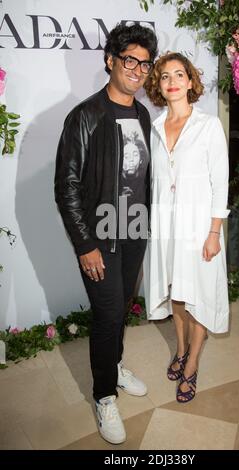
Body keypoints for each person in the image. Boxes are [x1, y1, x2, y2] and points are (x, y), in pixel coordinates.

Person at [55, 23, 158, 444]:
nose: (137, 69)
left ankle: (114, 365)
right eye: (129, 59)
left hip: (135, 232)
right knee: (108, 314)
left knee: (121, 309)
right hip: (100, 237)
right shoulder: (86, 116)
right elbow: (67, 187)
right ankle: (103, 395)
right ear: (110, 61)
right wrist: (85, 245)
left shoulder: (142, 113)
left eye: (144, 63)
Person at [144, 52, 230, 403]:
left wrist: (213, 233)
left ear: (191, 82)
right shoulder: (155, 127)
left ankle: (192, 363)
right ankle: (180, 350)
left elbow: (220, 183)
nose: (173, 81)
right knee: (176, 293)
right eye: (165, 77)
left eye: (180, 75)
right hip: (167, 225)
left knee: (200, 296)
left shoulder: (208, 125)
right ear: (159, 87)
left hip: (200, 228)